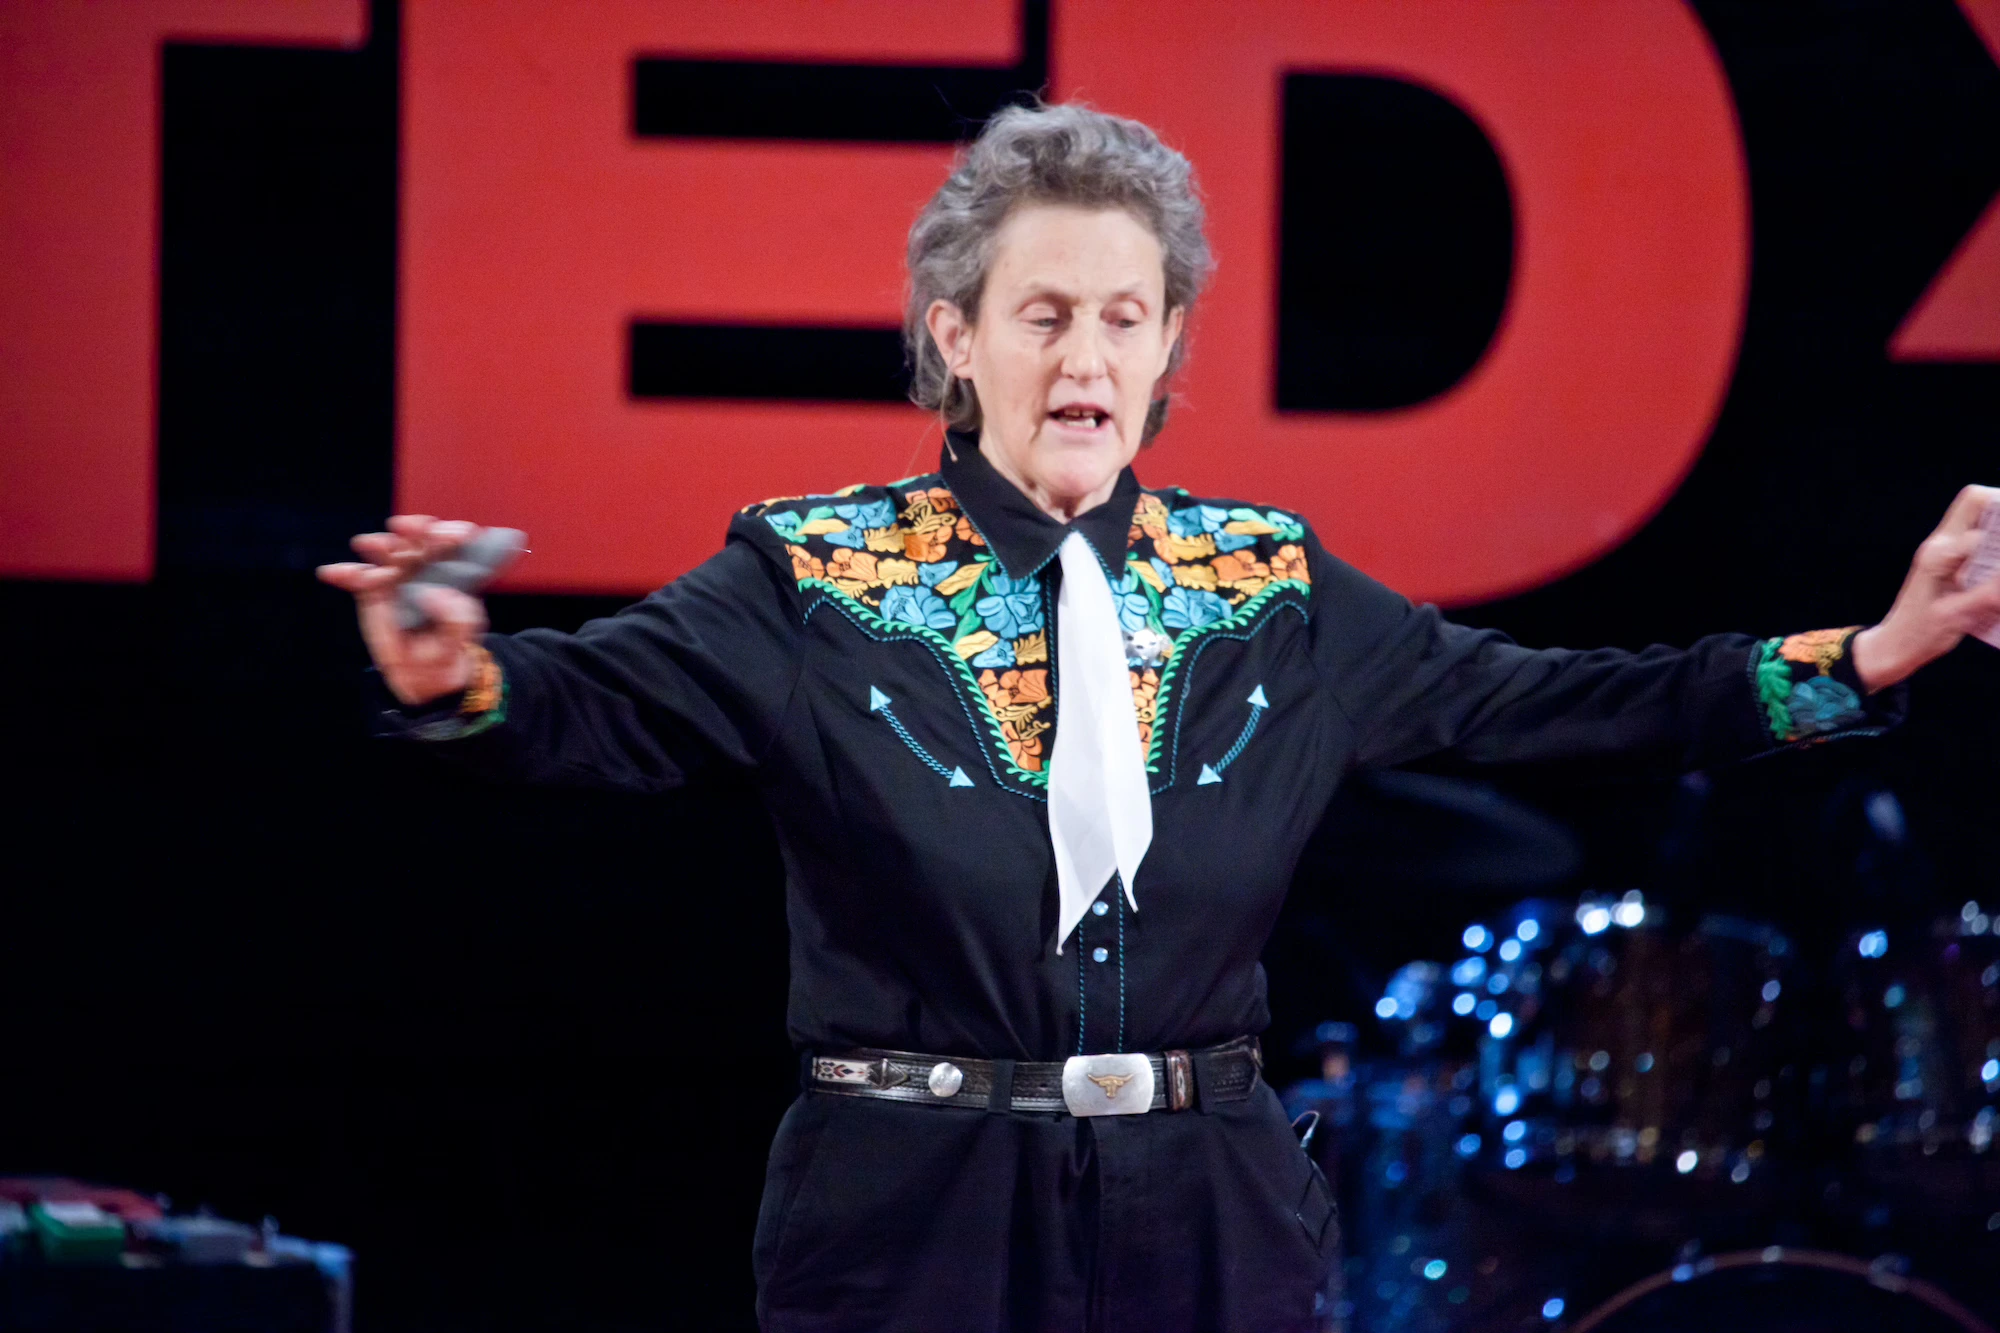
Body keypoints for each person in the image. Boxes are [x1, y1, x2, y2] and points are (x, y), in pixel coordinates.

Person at [319, 103, 1999, 1332]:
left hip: (1210, 1215)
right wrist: (451, 674)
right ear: (952, 340)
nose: (1087, 353)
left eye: (1126, 316)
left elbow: (1560, 706)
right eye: (1043, 313)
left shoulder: (1267, 583)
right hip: (914, 1217)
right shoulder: (814, 574)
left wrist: (1865, 655)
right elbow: (578, 707)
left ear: (1171, 346)